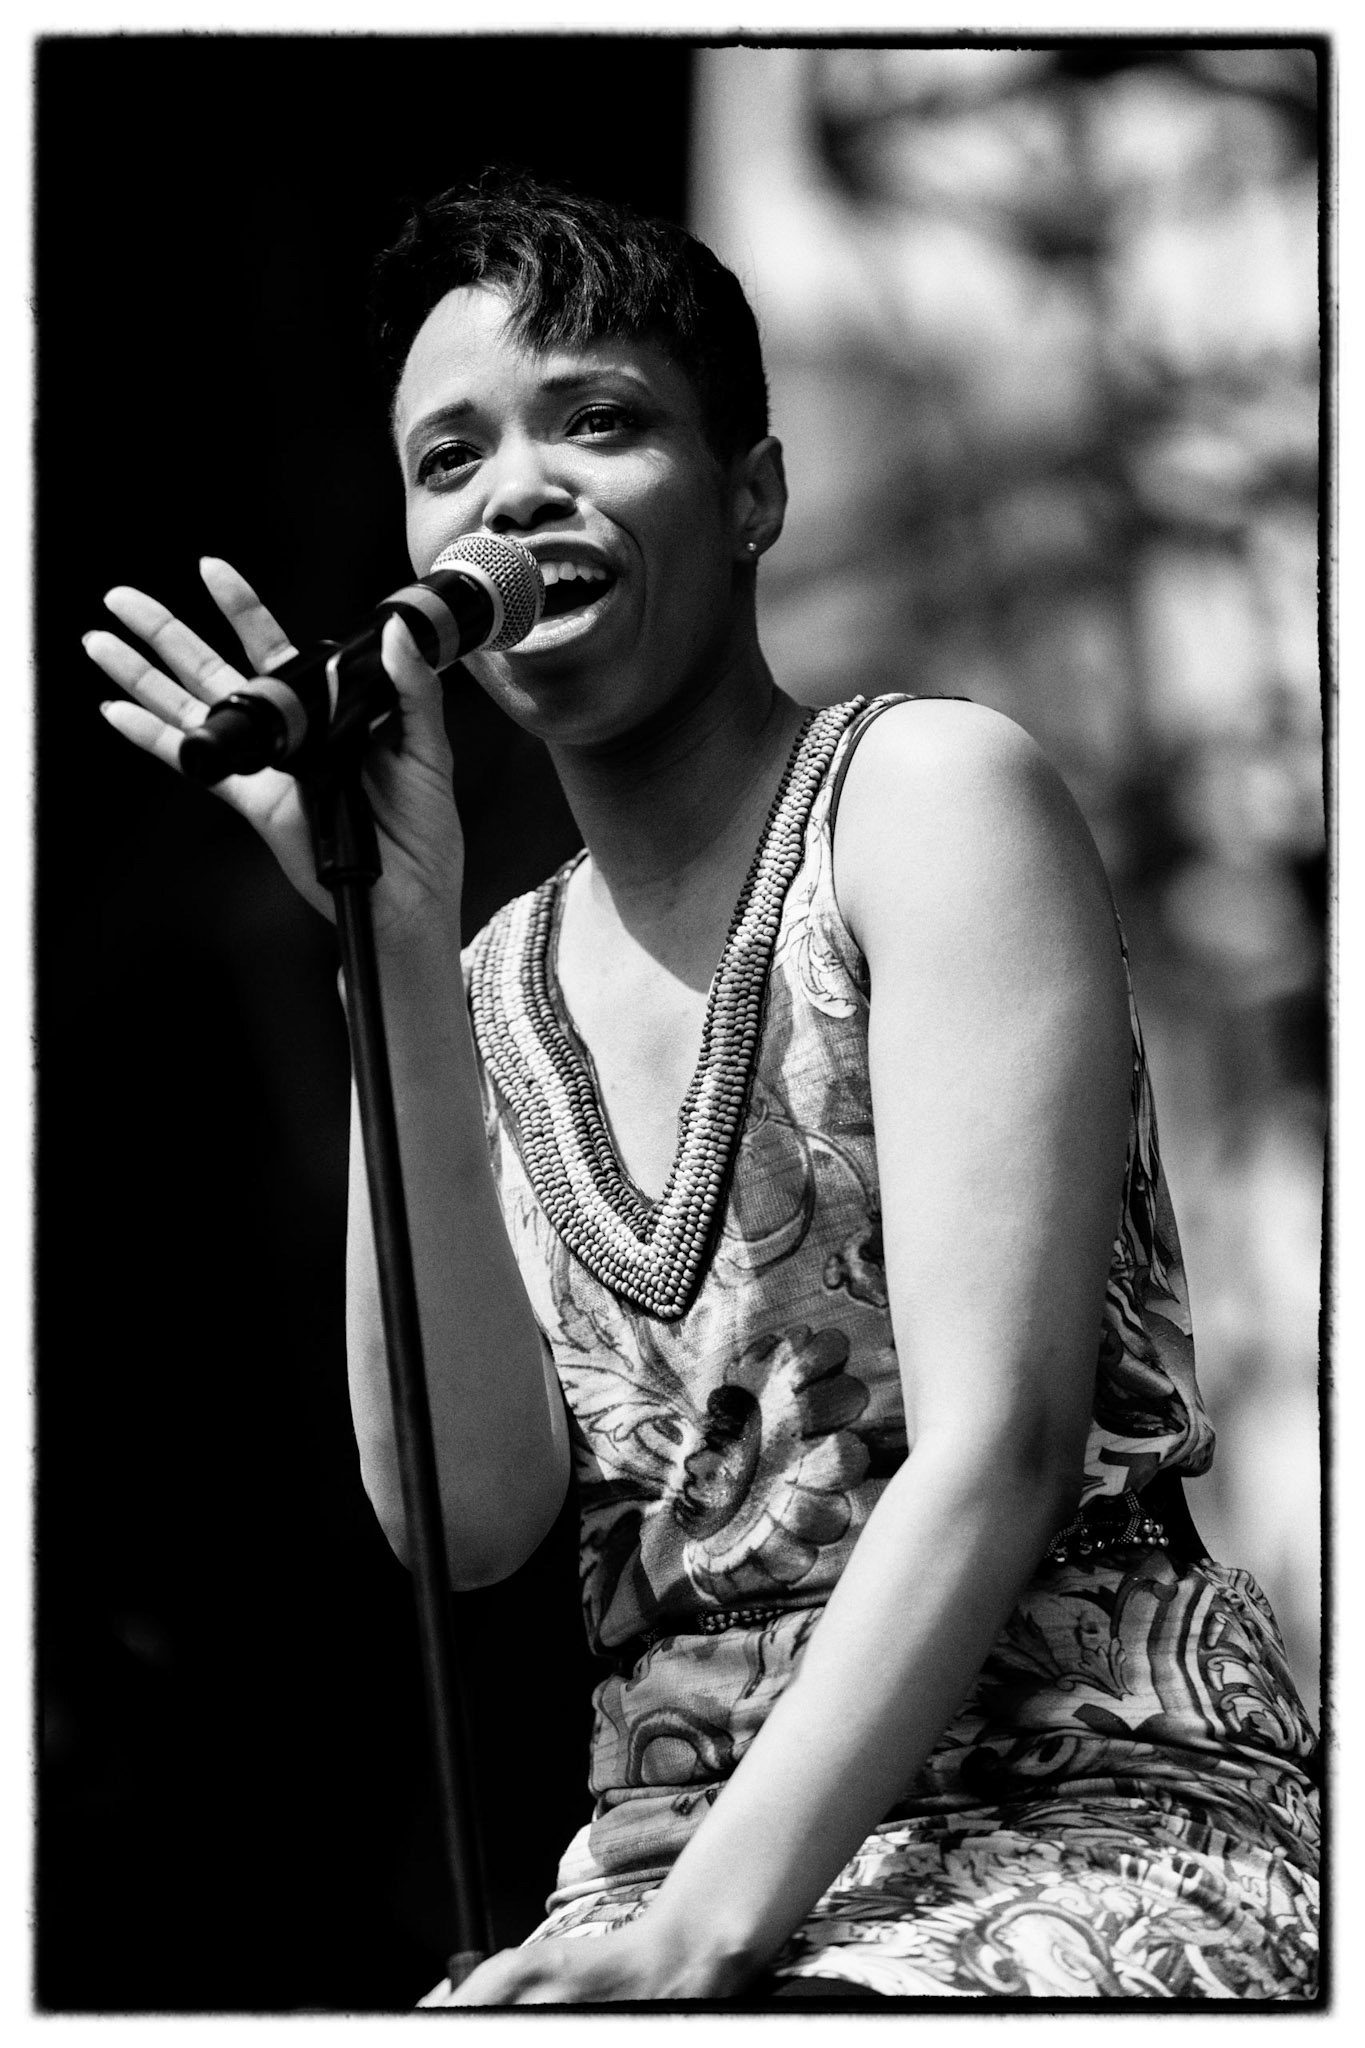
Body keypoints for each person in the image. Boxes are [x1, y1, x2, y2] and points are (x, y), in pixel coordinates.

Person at [84, 171, 1320, 2004]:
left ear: (752, 496)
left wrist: (704, 1939)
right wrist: (391, 953)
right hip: (658, 1869)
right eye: (450, 458)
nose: (515, 492)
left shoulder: (924, 801)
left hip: (1072, 1812)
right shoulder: (486, 980)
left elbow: (999, 1443)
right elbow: (466, 1519)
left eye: (598, 421)